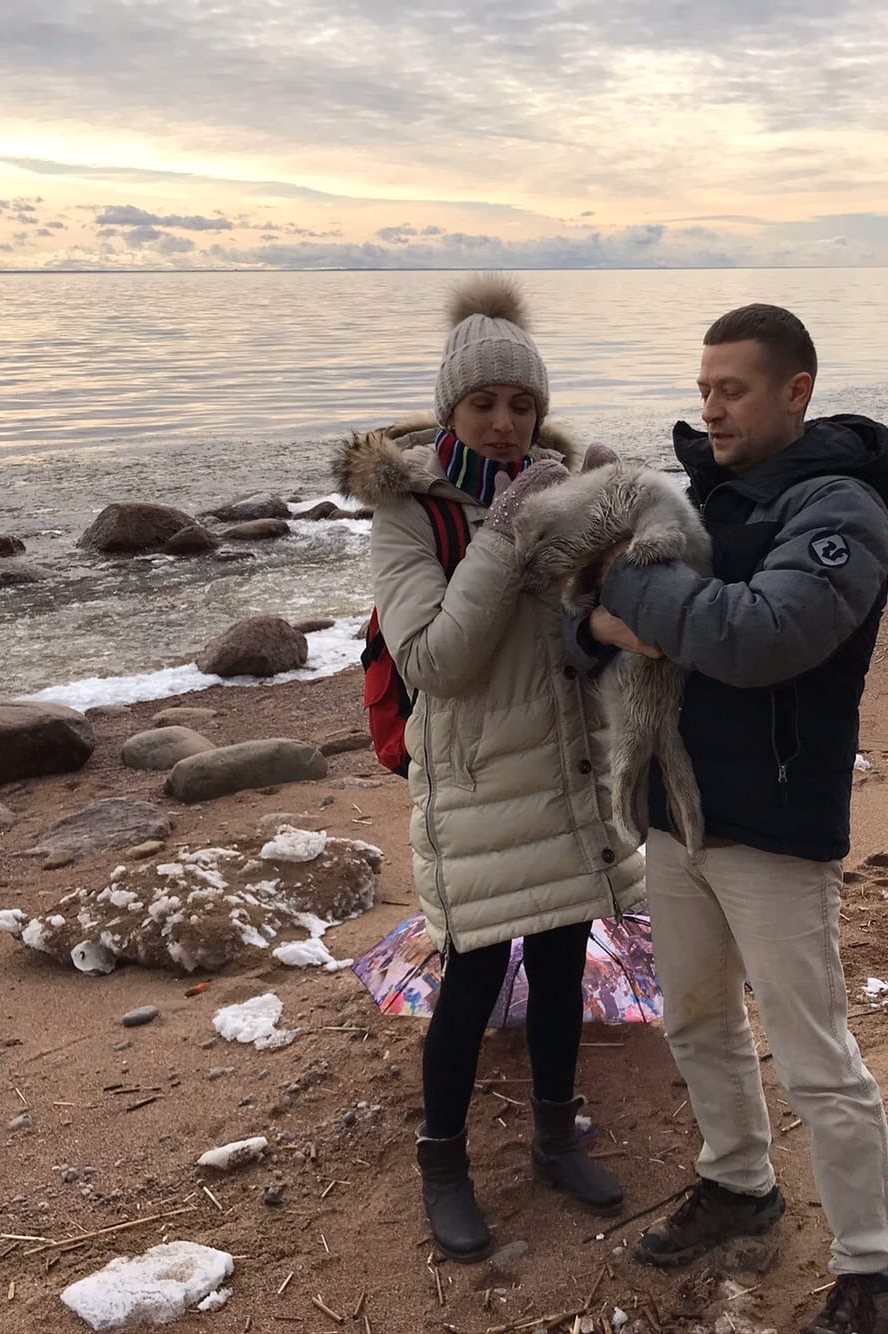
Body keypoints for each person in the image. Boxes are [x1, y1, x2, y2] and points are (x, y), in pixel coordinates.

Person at [587, 304, 888, 1334]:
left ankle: (874, 1268)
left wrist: (624, 590)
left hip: (773, 819)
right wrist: (598, 611)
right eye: (700, 389)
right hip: (678, 810)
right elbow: (589, 619)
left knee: (815, 1051)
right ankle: (736, 1181)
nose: (709, 407)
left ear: (794, 391)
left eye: (730, 388)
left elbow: (764, 635)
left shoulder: (838, 508)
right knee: (693, 1016)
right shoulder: (707, 498)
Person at [336, 275, 644, 1264]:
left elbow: (588, 632)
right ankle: (444, 1163)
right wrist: (507, 534)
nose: (507, 422)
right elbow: (434, 659)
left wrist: (605, 539)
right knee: (469, 974)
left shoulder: (557, 485)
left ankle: (556, 1133)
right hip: (471, 781)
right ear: (449, 409)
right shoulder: (411, 513)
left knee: (560, 962)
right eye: (484, 403)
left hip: (561, 764)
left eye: (524, 404)